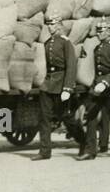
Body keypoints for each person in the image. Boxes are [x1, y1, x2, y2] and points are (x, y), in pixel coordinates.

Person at [36, 12, 85, 160]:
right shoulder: (47, 43)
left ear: (59, 25)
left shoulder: (65, 42)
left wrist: (67, 88)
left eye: (53, 24)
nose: (50, 27)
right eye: (49, 25)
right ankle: (44, 152)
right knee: (44, 118)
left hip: (61, 84)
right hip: (48, 84)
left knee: (67, 117)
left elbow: (71, 66)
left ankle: (84, 143)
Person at [77, 18, 110, 161]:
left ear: (108, 32)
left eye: (101, 31)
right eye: (98, 31)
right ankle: (90, 151)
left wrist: (105, 83)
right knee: (90, 116)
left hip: (109, 90)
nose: (98, 34)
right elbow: (98, 71)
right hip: (96, 89)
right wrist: (95, 85)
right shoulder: (97, 48)